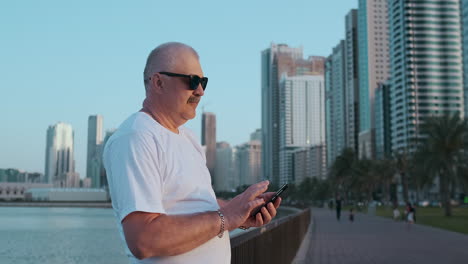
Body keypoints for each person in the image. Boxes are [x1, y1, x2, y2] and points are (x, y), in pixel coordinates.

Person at [103, 42, 282, 264]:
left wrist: (243, 211)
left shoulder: (188, 138)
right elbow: (144, 239)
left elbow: (198, 203)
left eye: (203, 81)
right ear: (158, 82)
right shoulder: (136, 137)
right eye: (192, 81)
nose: (200, 91)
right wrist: (226, 217)